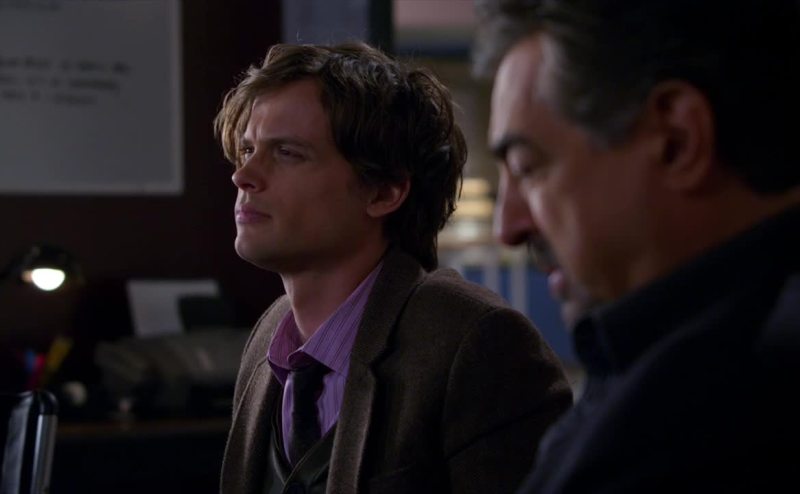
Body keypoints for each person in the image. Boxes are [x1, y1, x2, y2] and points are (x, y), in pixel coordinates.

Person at [213, 42, 572, 494]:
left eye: (287, 153)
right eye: (247, 150)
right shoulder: (269, 339)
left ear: (384, 192)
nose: (243, 175)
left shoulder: (477, 343)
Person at [474, 0, 800, 492]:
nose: (508, 227)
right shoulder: (661, 369)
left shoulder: (698, 432)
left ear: (676, 140)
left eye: (528, 168)